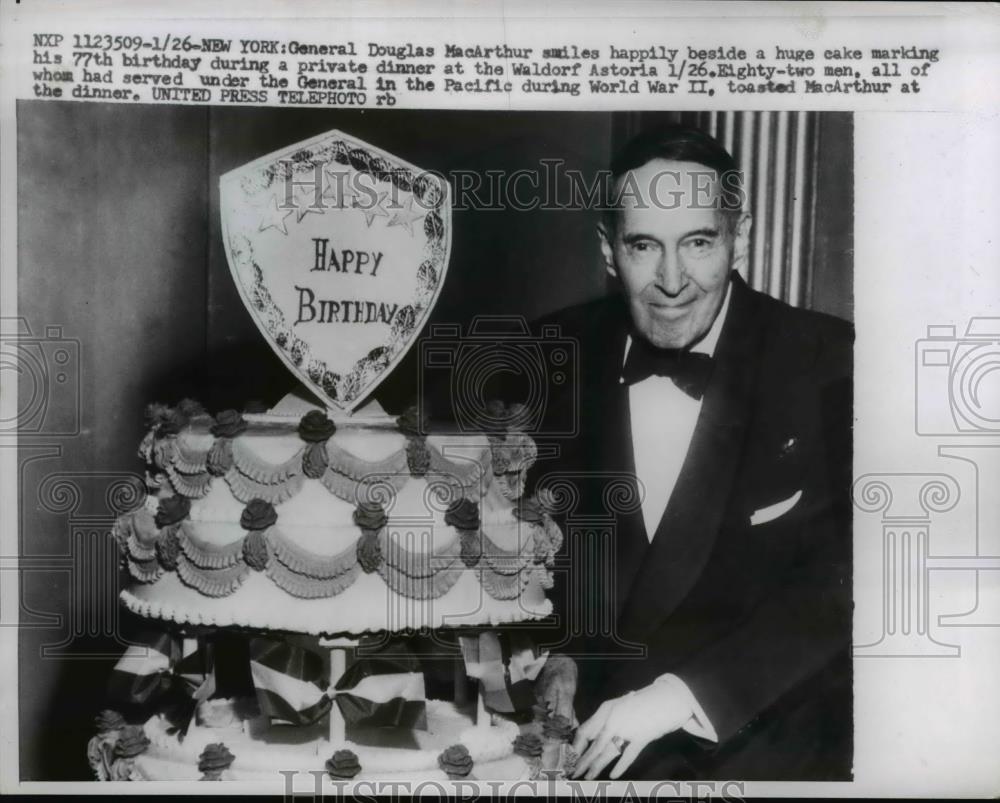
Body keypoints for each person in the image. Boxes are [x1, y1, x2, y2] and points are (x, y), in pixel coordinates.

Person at [528, 125, 853, 781]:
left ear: (743, 237)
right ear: (608, 250)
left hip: (760, 765)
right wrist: (558, 652)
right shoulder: (550, 352)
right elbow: (542, 545)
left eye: (698, 242)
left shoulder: (830, 360)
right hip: (584, 763)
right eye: (644, 245)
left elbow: (840, 588)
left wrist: (677, 697)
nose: (672, 280)